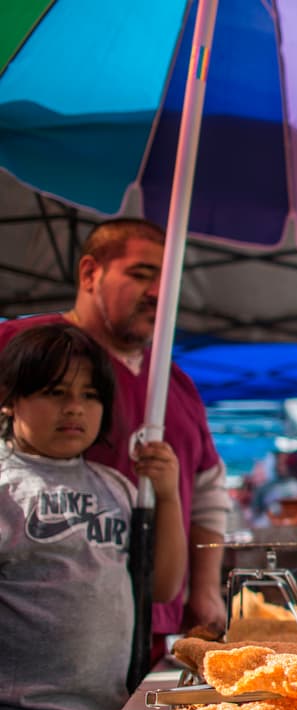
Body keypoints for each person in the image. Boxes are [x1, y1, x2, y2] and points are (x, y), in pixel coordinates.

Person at [0, 218, 231, 656]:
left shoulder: (177, 385)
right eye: (142, 274)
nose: (157, 293)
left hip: (148, 634)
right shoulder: (14, 346)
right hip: (30, 644)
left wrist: (203, 587)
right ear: (90, 273)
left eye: (168, 282)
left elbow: (207, 491)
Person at [0, 325, 185, 710]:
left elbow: (162, 586)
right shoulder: (7, 489)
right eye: (54, 392)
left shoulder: (119, 489)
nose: (74, 408)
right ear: (10, 400)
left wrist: (168, 496)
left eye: (89, 395)